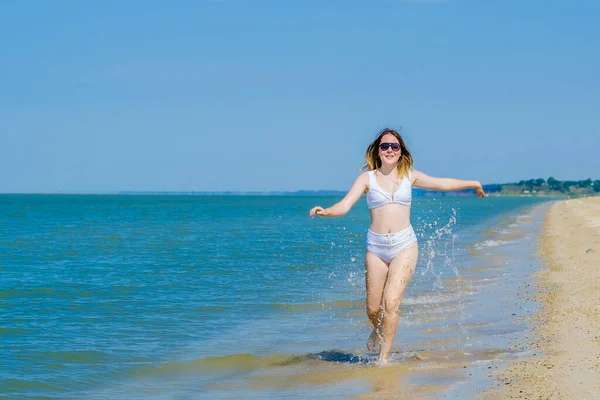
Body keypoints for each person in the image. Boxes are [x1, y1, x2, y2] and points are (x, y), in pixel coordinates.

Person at [309, 128, 485, 363]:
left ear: (401, 151)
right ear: (377, 151)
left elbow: (443, 184)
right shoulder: (367, 179)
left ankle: (382, 360)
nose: (390, 150)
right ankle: (380, 330)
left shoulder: (409, 176)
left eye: (395, 146)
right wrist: (326, 211)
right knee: (373, 309)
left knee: (390, 304)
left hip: (404, 245)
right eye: (385, 146)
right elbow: (345, 205)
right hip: (376, 248)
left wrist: (474, 183)